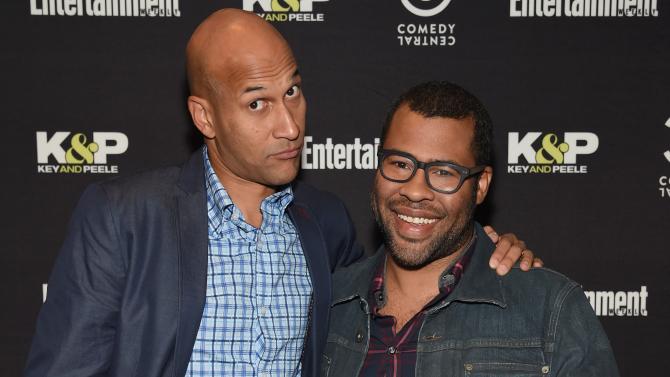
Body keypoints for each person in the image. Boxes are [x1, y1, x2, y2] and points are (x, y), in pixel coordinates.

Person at [24, 10, 538, 377]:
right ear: (205, 116)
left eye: (292, 91)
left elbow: (403, 284)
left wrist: (483, 249)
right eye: (257, 104)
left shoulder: (326, 222)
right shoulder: (124, 217)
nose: (290, 125)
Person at [322, 81, 619, 376]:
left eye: (443, 172)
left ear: (481, 186)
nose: (414, 191)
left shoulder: (549, 310)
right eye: (400, 164)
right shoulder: (328, 307)